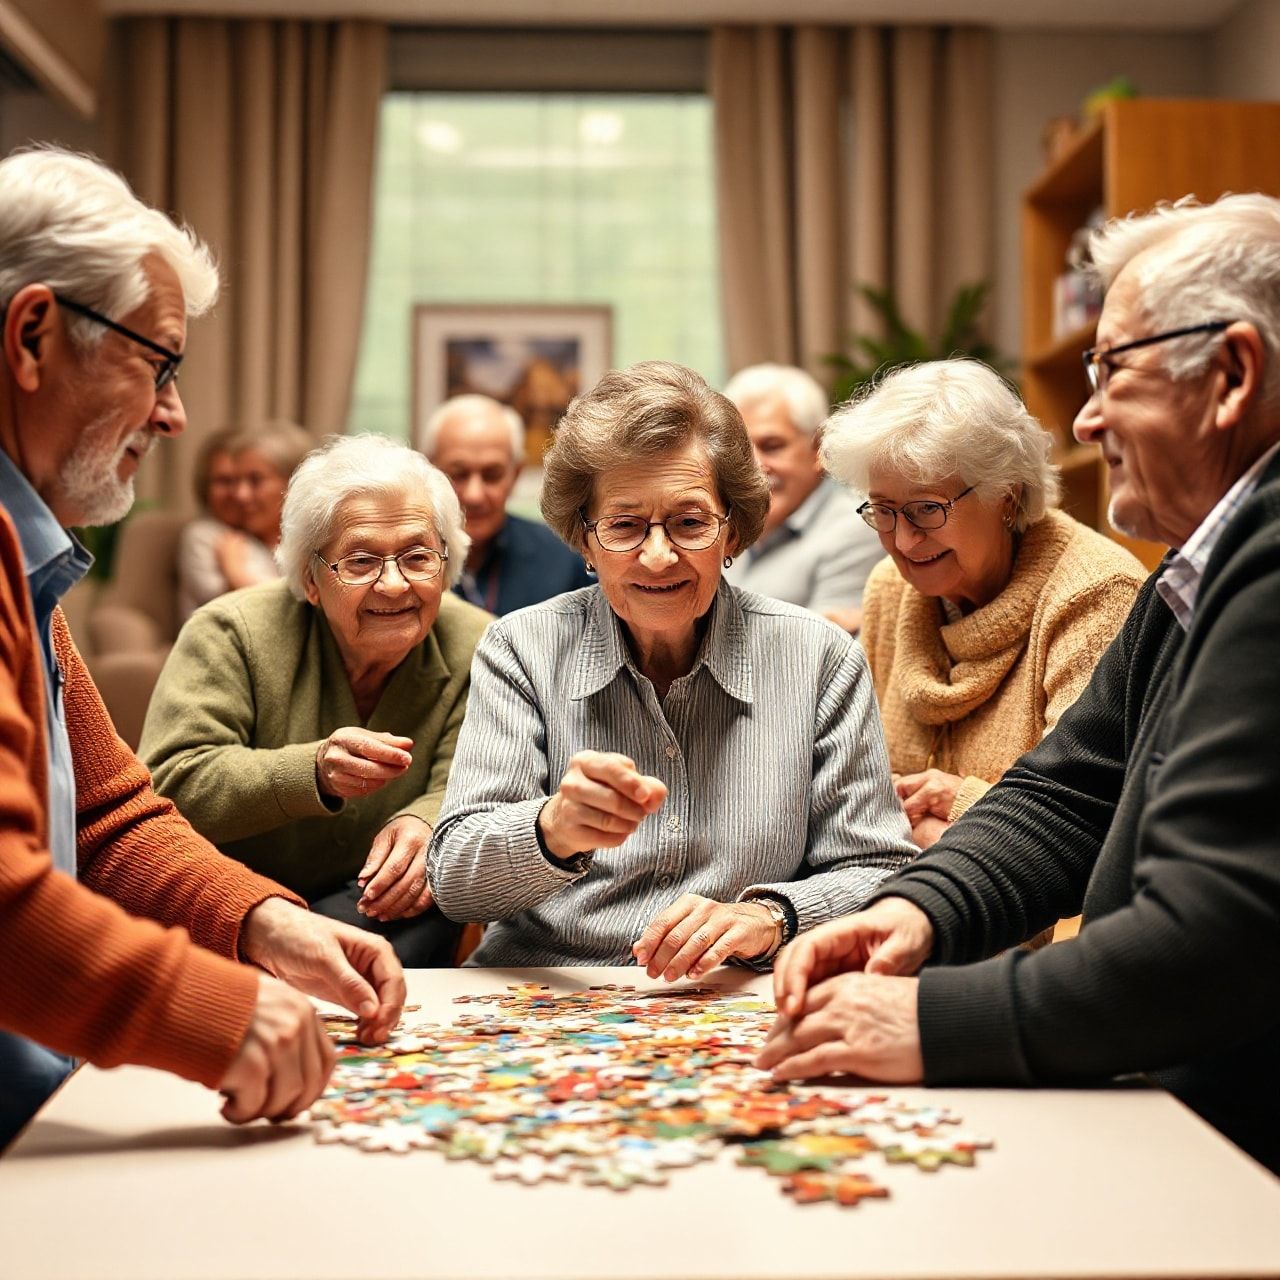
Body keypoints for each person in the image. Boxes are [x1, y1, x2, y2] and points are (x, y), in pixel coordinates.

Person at [758, 193, 1280, 1175]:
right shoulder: (1201, 563)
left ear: (1231, 373)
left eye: (1111, 370)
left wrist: (928, 1018)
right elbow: (1069, 784)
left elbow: (1213, 938)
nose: (1082, 418)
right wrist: (915, 909)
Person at [0, 146, 404, 1150]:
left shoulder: (22, 552)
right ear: (35, 334)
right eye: (159, 361)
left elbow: (105, 817)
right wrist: (217, 1007)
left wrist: (264, 922)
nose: (176, 414)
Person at [430, 360, 917, 975]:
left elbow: (879, 873)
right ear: (583, 540)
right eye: (625, 526)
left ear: (732, 531)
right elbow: (455, 884)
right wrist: (552, 829)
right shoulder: (522, 649)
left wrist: (771, 918)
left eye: (690, 523)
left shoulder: (819, 659)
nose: (658, 557)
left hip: (733, 997)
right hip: (544, 989)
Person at [141, 435, 490, 966]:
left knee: (431, 894)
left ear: (447, 565)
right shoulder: (229, 633)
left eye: (418, 557)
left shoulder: (481, 645)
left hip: (382, 907)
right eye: (360, 561)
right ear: (309, 578)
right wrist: (314, 771)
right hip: (242, 910)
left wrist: (426, 824)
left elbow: (478, 779)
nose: (395, 585)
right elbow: (172, 781)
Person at [821, 359, 1144, 850]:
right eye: (884, 510)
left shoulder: (1095, 594)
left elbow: (1089, 817)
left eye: (927, 509)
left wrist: (961, 802)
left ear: (1007, 495)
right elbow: (854, 791)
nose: (903, 541)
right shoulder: (891, 587)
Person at [722, 363, 881, 630]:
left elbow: (818, 655)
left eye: (772, 446)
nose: (754, 465)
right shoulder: (720, 523)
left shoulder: (858, 527)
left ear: (818, 448)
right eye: (740, 449)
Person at [420, 394, 592, 614]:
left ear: (516, 474)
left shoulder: (565, 559)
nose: (475, 496)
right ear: (430, 469)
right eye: (458, 474)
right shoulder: (402, 560)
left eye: (492, 475)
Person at [175, 426, 280, 622]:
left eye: (249, 481)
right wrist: (235, 574)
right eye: (224, 481)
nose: (239, 493)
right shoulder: (202, 534)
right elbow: (220, 608)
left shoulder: (262, 535)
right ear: (205, 487)